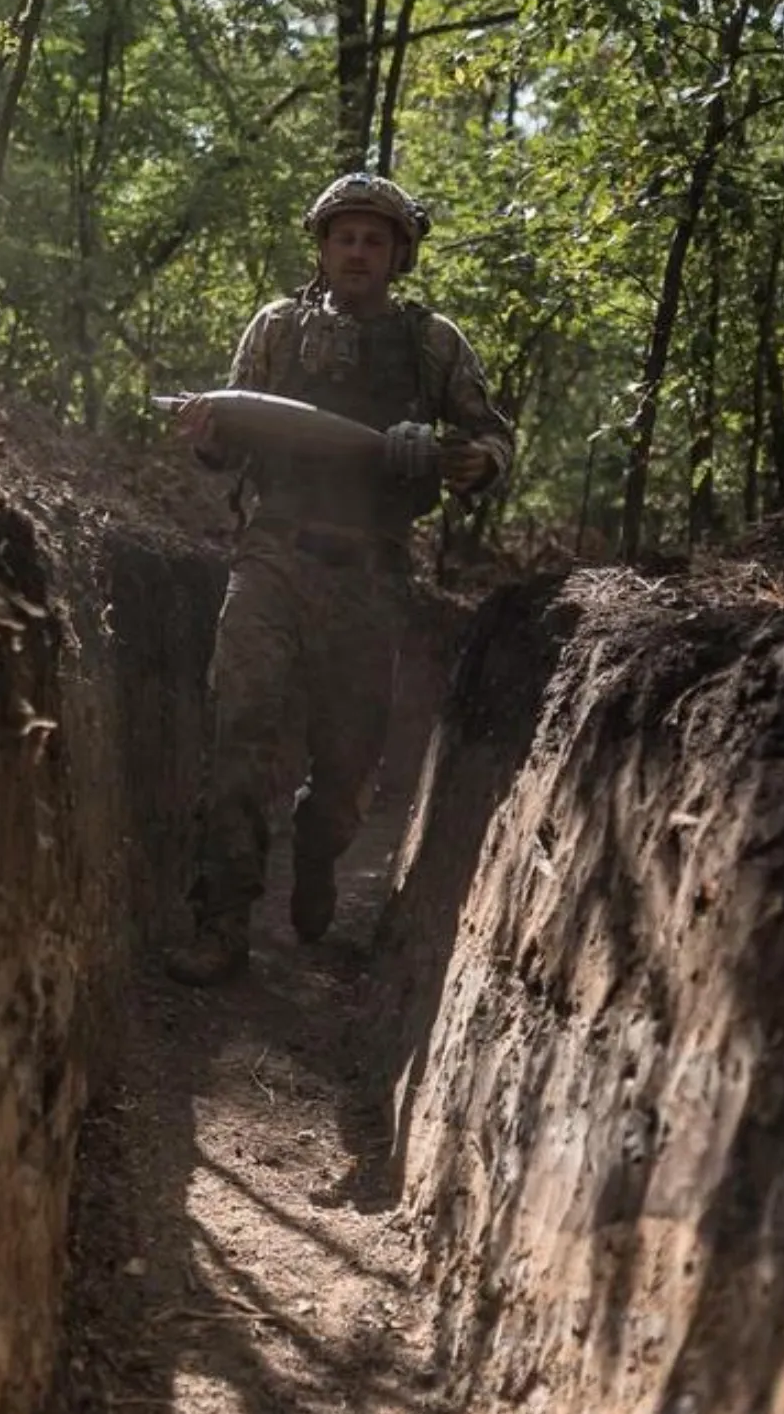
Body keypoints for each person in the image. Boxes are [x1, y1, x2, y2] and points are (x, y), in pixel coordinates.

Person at [163, 172, 516, 987]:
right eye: (344, 237)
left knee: (348, 771)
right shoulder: (277, 330)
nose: (358, 251)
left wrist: (467, 459)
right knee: (240, 730)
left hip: (371, 574)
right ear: (321, 248)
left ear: (399, 257)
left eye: (375, 240)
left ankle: (318, 852)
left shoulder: (434, 345)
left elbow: (491, 437)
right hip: (274, 557)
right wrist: (204, 433)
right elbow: (230, 438)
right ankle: (221, 924)